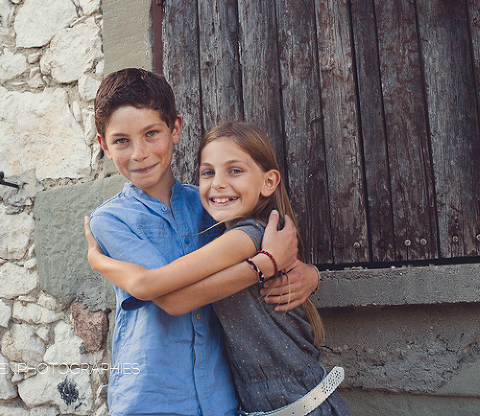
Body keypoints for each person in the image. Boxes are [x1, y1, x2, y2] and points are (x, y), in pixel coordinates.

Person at [87, 68, 321, 415]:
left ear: (175, 129)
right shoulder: (110, 220)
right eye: (122, 140)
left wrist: (308, 272)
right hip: (153, 398)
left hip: (222, 397)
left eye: (152, 133)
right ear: (104, 145)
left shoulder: (213, 203)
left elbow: (264, 238)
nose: (139, 153)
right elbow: (167, 296)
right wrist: (267, 263)